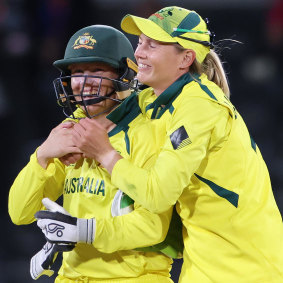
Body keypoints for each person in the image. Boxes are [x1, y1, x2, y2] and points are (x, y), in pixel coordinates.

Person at [65, 6, 283, 283]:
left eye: (153, 45)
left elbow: (158, 195)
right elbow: (101, 110)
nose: (139, 53)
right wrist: (62, 143)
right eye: (140, 42)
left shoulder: (198, 106)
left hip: (244, 266)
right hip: (204, 259)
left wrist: (105, 154)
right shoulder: (157, 99)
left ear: (185, 59)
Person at [8, 24, 183, 282]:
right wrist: (42, 156)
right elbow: (20, 213)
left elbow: (153, 228)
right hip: (72, 276)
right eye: (77, 72)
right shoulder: (69, 131)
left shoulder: (149, 133)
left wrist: (83, 231)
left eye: (97, 69)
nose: (84, 82)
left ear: (125, 75)